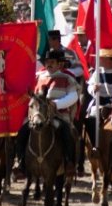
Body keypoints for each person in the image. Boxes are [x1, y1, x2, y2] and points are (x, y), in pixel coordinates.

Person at [14, 49, 79, 178]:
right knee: (22, 131)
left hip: (58, 116)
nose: (49, 64)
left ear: (59, 64)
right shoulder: (38, 77)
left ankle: (68, 163)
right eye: (47, 62)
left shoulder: (67, 78)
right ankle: (20, 162)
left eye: (52, 62)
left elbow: (74, 96)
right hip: (38, 115)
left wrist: (57, 104)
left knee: (66, 131)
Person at [86, 48, 112, 156]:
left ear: (109, 59)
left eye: (101, 58)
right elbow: (89, 86)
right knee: (90, 119)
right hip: (101, 101)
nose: (99, 60)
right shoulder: (98, 71)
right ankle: (95, 146)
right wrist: (93, 89)